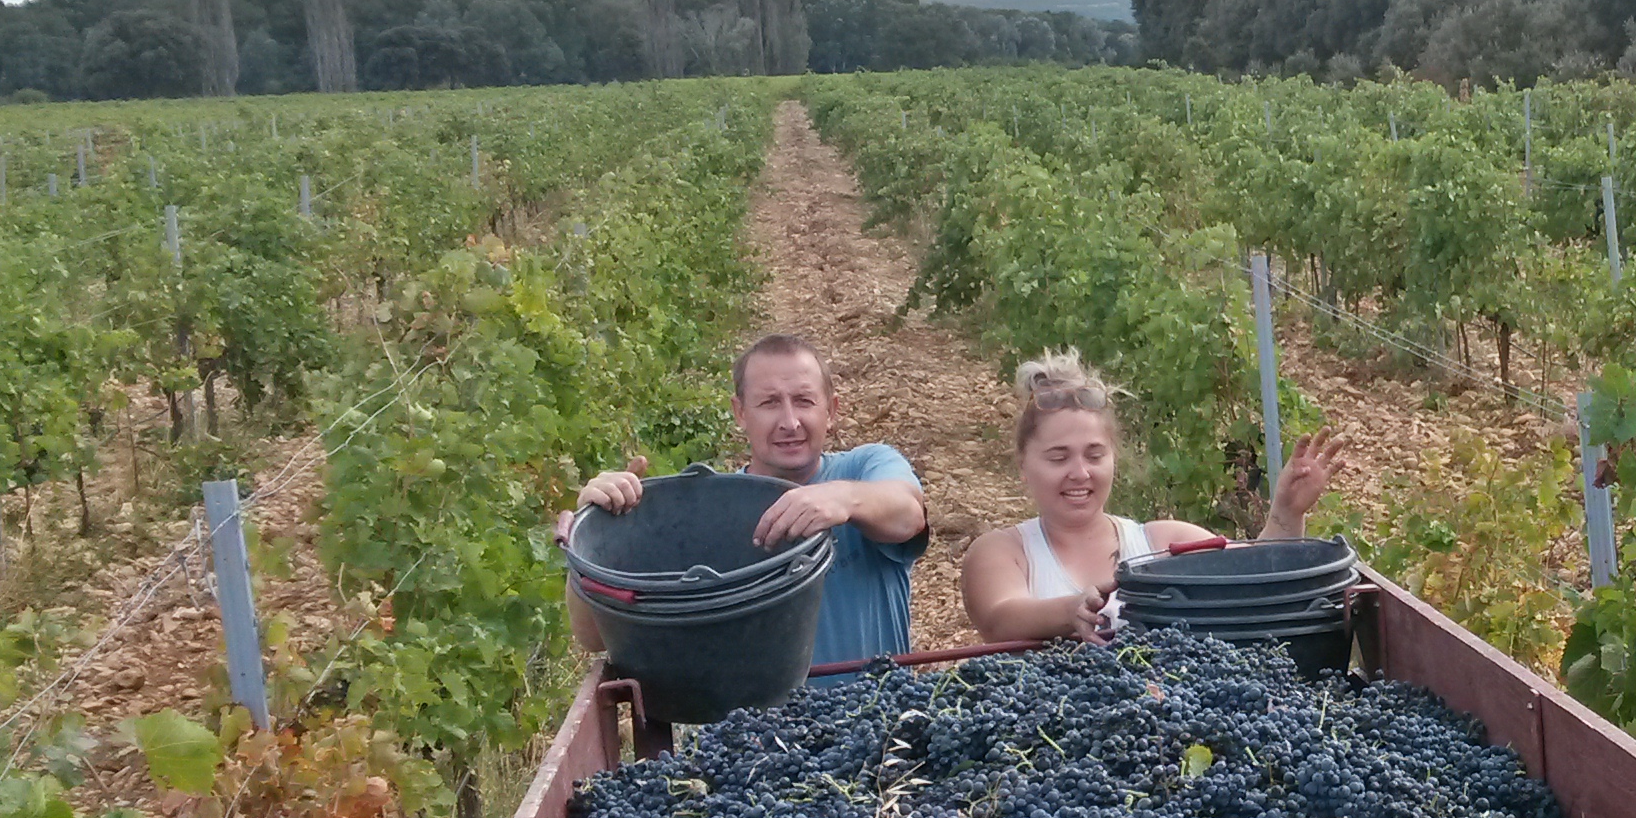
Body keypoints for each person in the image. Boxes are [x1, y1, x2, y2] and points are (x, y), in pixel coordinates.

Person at [564, 334, 932, 669]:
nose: (790, 422)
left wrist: (844, 498)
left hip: (876, 722)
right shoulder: (707, 511)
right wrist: (596, 534)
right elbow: (593, 636)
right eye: (770, 403)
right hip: (754, 738)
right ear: (740, 413)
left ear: (831, 410)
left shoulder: (867, 467)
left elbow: (908, 516)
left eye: (804, 401)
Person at [961, 350, 1345, 643]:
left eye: (1094, 455)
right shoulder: (1003, 552)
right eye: (1058, 457)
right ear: (1023, 464)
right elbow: (1001, 616)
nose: (1080, 472)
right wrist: (1070, 611)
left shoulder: (1162, 542)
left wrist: (1286, 513)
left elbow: (1253, 579)